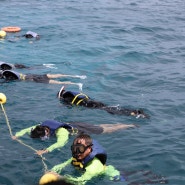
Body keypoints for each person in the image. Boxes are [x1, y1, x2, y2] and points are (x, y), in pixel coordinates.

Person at [40, 134, 167, 185]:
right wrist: (51, 170)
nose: (76, 152)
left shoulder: (94, 165)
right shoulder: (77, 157)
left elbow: (81, 181)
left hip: (115, 178)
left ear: (89, 149)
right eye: (74, 148)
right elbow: (61, 165)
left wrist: (60, 178)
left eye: (79, 149)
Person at [12, 119, 137, 155]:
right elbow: (28, 129)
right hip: (74, 123)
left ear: (46, 132)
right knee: (99, 126)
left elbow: (60, 143)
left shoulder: (62, 132)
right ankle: (122, 124)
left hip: (80, 129)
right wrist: (17, 135)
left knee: (105, 130)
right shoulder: (41, 126)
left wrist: (45, 150)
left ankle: (128, 125)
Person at [57, 86, 149, 119]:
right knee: (110, 108)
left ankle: (133, 113)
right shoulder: (71, 94)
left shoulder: (66, 99)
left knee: (110, 110)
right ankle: (133, 112)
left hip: (89, 105)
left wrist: (60, 105)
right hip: (94, 102)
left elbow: (69, 106)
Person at [0, 70, 84, 90]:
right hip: (33, 75)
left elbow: (5, 81)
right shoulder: (8, 72)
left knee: (59, 82)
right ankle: (77, 76)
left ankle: (77, 84)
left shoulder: (8, 77)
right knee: (56, 76)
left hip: (35, 80)